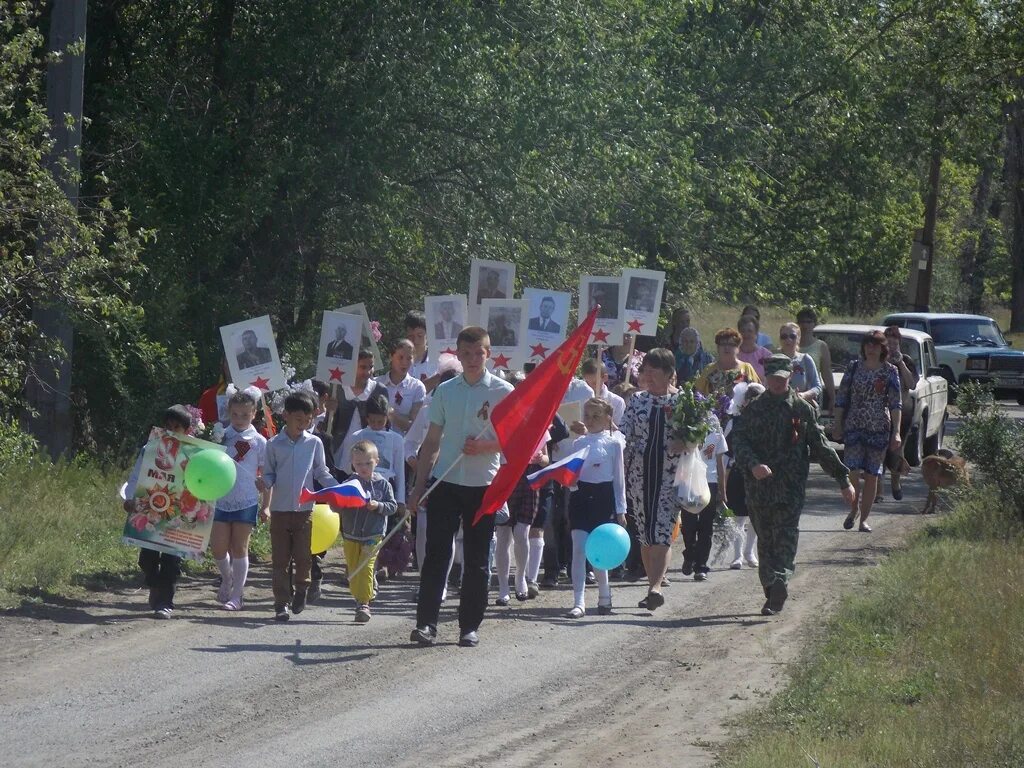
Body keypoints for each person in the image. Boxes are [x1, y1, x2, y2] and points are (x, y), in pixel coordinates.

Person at [408, 326, 515, 648]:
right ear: (457, 354)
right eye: (465, 354)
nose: (471, 359)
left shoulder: (504, 391)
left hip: (483, 485)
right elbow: (431, 441)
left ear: (488, 353)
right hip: (445, 482)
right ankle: (426, 624)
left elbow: (515, 442)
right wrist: (418, 487)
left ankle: (469, 625)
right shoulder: (446, 391)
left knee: (478, 559)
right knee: (437, 555)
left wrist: (485, 448)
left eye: (478, 353)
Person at [730, 354, 855, 615]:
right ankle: (772, 586)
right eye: (773, 378)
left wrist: (843, 479)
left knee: (786, 537)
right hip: (760, 488)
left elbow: (821, 447)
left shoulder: (801, 409)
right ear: (766, 378)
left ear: (790, 377)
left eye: (782, 379)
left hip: (791, 487)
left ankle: (779, 582)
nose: (777, 383)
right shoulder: (753, 409)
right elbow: (739, 443)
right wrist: (753, 464)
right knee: (766, 540)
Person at [257, 391, 336, 621]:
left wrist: (338, 488)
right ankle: (280, 603)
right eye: (299, 419)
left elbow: (322, 472)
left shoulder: (314, 443)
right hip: (280, 511)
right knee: (280, 560)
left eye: (308, 419)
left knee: (304, 557)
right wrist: (264, 482)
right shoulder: (273, 444)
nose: (304, 424)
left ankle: (302, 589)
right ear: (286, 416)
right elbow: (270, 473)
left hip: (304, 511)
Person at [619, 348, 683, 610]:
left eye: (653, 372)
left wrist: (688, 440)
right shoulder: (637, 401)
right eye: (645, 371)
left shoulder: (685, 401)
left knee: (662, 532)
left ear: (669, 374)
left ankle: (656, 586)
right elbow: (624, 433)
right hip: (639, 476)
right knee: (645, 535)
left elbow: (705, 433)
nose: (648, 376)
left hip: (670, 477)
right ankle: (652, 586)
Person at [122, 405, 193, 619]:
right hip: (151, 512)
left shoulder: (193, 454)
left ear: (186, 430)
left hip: (177, 515)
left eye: (177, 427)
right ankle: (154, 584)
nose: (171, 430)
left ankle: (166, 602)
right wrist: (129, 498)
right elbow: (137, 475)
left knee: (172, 561)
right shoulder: (150, 448)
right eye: (168, 425)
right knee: (147, 559)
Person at [831, 331, 902, 532]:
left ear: (882, 348)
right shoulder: (854, 368)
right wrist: (837, 423)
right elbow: (842, 397)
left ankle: (864, 519)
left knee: (872, 474)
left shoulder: (890, 371)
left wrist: (896, 432)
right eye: (868, 344)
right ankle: (853, 509)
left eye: (875, 345)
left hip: (879, 428)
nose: (871, 348)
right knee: (852, 471)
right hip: (854, 426)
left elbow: (896, 404)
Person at [564, 398, 626, 618]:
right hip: (581, 497)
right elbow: (572, 475)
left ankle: (604, 595)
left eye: (596, 416)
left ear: (608, 418)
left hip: (604, 498)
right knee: (579, 549)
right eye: (587, 416)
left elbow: (619, 480)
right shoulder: (578, 443)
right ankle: (578, 601)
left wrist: (621, 509)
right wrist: (570, 483)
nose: (590, 420)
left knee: (598, 551)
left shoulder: (614, 443)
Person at [495, 372, 550, 606]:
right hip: (506, 476)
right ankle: (502, 587)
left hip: (529, 478)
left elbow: (547, 459)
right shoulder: (502, 421)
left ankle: (521, 580)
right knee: (503, 534)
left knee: (521, 532)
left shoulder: (538, 423)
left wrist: (540, 459)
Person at [210, 389, 267, 611]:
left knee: (239, 547)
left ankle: (237, 595)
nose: (240, 419)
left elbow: (265, 475)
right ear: (229, 413)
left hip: (247, 498)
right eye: (235, 415)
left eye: (245, 415)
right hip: (222, 497)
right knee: (217, 547)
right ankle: (227, 577)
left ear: (254, 414)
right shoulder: (220, 436)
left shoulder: (260, 441)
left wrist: (267, 505)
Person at [340, 440, 398, 623]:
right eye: (358, 464)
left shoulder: (383, 485)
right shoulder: (349, 483)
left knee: (365, 566)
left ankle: (363, 603)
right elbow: (339, 504)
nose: (363, 468)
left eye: (368, 463)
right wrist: (338, 505)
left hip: (374, 534)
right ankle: (367, 588)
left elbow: (392, 507)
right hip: (351, 533)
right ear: (352, 464)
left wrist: (378, 505)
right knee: (354, 568)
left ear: (377, 462)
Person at [680, 414, 727, 582]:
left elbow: (721, 464)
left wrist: (722, 491)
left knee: (706, 527)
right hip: (690, 483)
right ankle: (689, 554)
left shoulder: (717, 436)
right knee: (688, 523)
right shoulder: (687, 433)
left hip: (710, 483)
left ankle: (701, 566)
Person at [724, 382, 764, 569]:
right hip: (738, 473)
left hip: (759, 474)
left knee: (756, 515)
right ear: (744, 401)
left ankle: (750, 551)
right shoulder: (734, 422)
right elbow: (725, 452)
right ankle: (737, 555)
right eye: (750, 399)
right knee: (738, 516)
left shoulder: (766, 424)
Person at [328, 349, 388, 475]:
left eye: (371, 367)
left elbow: (384, 424)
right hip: (340, 448)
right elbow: (329, 423)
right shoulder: (338, 387)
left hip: (367, 452)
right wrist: (329, 409)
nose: (367, 372)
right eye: (363, 367)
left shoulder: (378, 390)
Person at [883, 325, 918, 500]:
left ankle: (895, 482)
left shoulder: (907, 360)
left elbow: (911, 384)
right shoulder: (878, 360)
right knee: (879, 449)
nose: (891, 347)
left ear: (899, 344)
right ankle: (878, 491)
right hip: (880, 412)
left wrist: (901, 363)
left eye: (894, 344)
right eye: (888, 344)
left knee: (897, 449)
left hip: (902, 413)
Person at [694, 328, 761, 407]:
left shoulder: (747, 368)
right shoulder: (709, 369)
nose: (726, 348)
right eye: (723, 344)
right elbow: (698, 394)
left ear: (738, 348)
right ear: (718, 348)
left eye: (731, 344)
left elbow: (758, 392)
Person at [375, 338, 427, 436]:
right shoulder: (376, 384)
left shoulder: (417, 387)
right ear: (391, 356)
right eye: (401, 357)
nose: (405, 362)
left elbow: (414, 426)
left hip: (403, 446)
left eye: (409, 358)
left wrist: (391, 413)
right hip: (377, 443)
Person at [796, 307, 835, 410]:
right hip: (791, 394)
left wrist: (833, 398)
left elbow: (826, 373)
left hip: (813, 395)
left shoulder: (821, 346)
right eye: (802, 322)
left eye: (808, 322)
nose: (804, 325)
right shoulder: (789, 343)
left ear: (814, 324)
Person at [777, 322, 823, 404]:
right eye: (784, 336)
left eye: (792, 336)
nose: (788, 340)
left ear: (798, 338)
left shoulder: (805, 359)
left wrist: (804, 395)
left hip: (800, 406)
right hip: (777, 407)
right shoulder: (773, 359)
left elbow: (817, 386)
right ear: (780, 339)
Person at [580, 358, 625, 426]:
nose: (590, 387)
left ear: (605, 377)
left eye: (594, 383)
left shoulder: (617, 402)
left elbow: (620, 433)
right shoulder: (579, 398)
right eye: (586, 383)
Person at [406, 310, 438, 384]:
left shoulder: (438, 361)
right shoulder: (399, 362)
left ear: (428, 334)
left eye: (420, 335)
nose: (415, 340)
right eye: (411, 336)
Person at [737, 314, 772, 381]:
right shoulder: (734, 354)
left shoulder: (766, 355)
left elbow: (771, 379)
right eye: (743, 331)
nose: (746, 334)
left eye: (749, 331)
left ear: (756, 333)